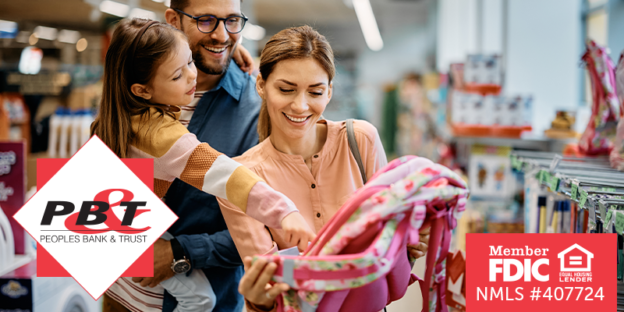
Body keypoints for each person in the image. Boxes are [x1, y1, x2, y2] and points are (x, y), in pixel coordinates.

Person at [94, 18, 315, 312]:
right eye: (177, 75)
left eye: (190, 61)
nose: (192, 75)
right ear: (142, 90)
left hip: (111, 228)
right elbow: (228, 176)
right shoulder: (165, 137)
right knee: (201, 299)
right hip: (144, 248)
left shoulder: (113, 118)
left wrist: (229, 51)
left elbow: (150, 47)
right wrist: (284, 211)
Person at [217, 25, 430, 312]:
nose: (300, 105)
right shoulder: (242, 179)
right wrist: (261, 300)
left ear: (329, 91)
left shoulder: (360, 140)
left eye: (315, 91)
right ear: (261, 85)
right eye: (285, 89)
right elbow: (270, 287)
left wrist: (409, 242)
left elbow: (389, 246)